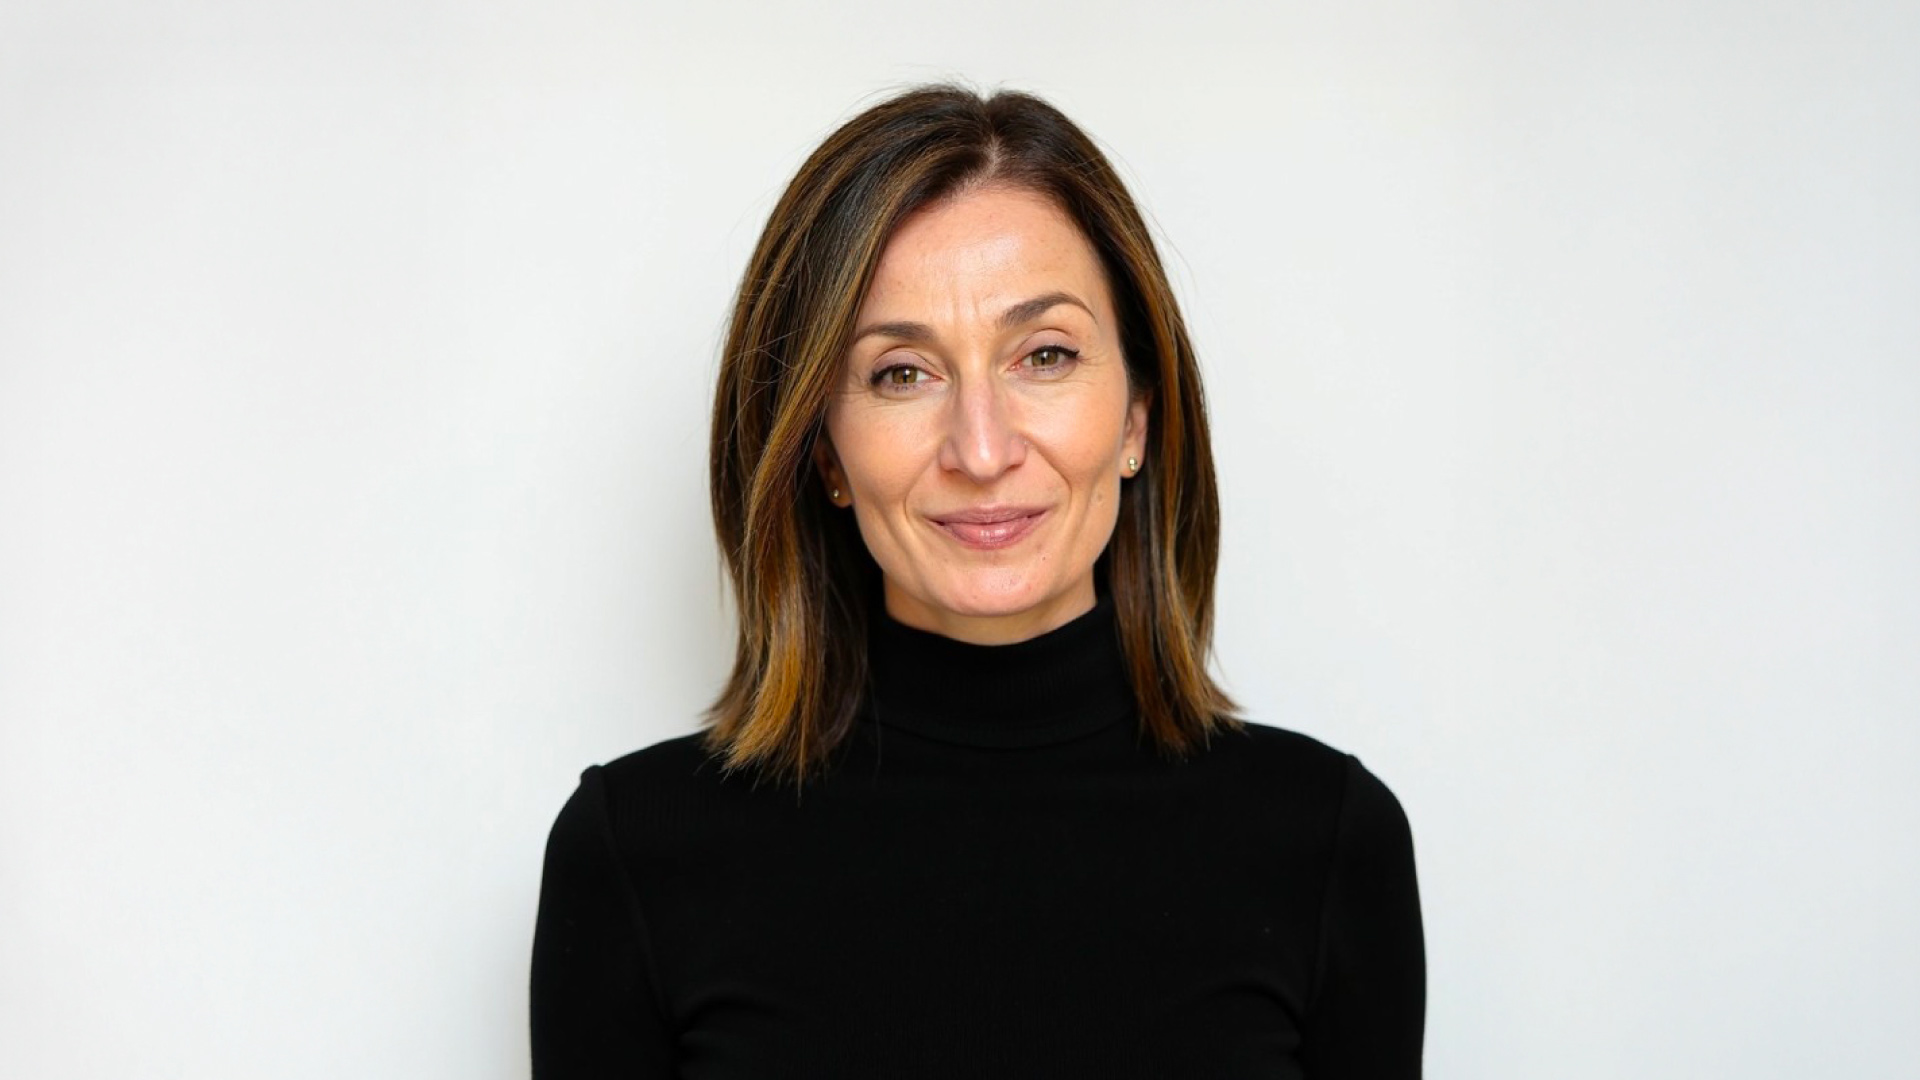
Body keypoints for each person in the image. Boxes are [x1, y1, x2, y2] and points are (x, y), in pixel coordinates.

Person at [529, 84, 1425, 1079]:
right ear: (824, 452)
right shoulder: (636, 854)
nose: (983, 449)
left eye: (1044, 355)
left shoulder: (1325, 844)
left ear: (1136, 417)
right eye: (902, 373)